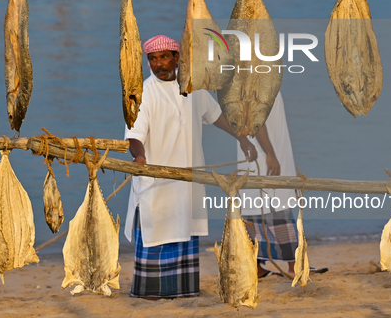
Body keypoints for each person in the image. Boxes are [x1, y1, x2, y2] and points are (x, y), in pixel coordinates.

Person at [124, 34, 257, 299]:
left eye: (164, 57)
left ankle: (183, 290)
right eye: (152, 59)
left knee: (185, 229)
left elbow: (218, 117)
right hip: (156, 180)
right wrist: (139, 158)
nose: (159, 63)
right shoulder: (142, 93)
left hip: (190, 179)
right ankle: (150, 292)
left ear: (177, 58)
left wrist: (242, 139)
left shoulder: (194, 88)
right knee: (156, 230)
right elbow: (134, 136)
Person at [237, 91, 299, 278]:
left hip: (259, 156)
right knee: (278, 212)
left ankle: (257, 267)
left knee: (254, 213)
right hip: (263, 157)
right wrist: (271, 154)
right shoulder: (253, 84)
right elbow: (255, 121)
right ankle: (293, 266)